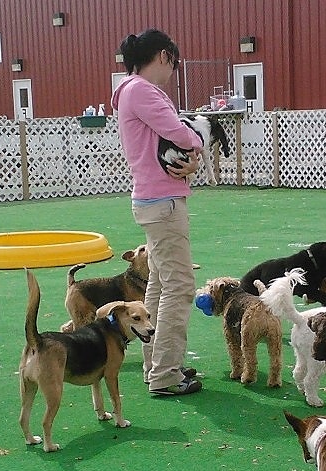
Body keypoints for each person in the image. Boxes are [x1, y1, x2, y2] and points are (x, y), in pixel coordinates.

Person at [111, 29, 203, 396]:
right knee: (180, 287)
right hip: (162, 203)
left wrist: (190, 157)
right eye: (174, 64)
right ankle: (165, 373)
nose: (172, 73)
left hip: (153, 200)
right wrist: (196, 145)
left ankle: (157, 365)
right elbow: (182, 134)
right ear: (164, 56)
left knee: (161, 284)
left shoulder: (130, 90)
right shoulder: (143, 91)